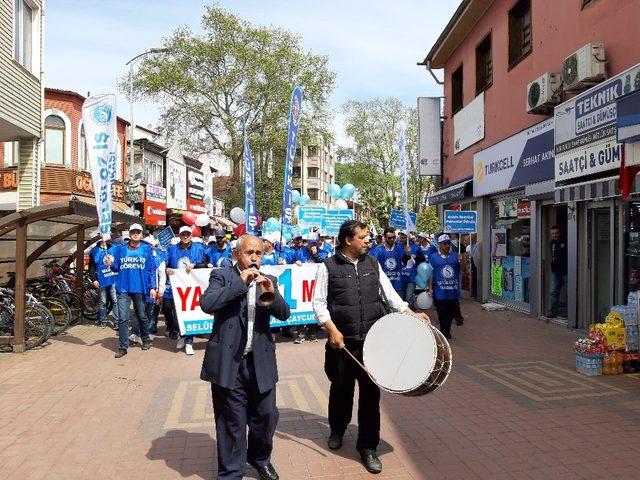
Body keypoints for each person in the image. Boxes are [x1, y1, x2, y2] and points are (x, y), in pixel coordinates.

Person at [312, 220, 430, 475]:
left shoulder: (373, 264)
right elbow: (319, 304)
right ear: (348, 240)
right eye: (364, 237)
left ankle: (367, 447)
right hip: (341, 345)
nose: (368, 240)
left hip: (373, 343)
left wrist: (411, 313)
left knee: (370, 396)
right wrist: (332, 329)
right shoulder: (328, 267)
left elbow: (390, 296)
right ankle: (337, 429)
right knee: (341, 390)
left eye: (368, 237)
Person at [199, 235, 291, 480]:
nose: (254, 257)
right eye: (249, 252)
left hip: (259, 361)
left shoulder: (268, 279)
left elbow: (284, 314)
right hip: (230, 363)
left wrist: (272, 293)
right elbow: (207, 304)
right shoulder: (222, 275)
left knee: (267, 415)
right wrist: (240, 283)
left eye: (259, 253)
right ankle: (231, 471)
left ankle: (260, 458)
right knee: (231, 422)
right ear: (237, 254)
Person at [104, 224, 157, 358]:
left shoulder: (147, 249)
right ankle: (122, 347)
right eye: (133, 231)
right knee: (123, 319)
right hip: (123, 288)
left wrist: (153, 287)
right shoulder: (121, 249)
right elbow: (116, 268)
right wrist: (110, 264)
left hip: (140, 288)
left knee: (142, 315)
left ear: (141, 234)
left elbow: (151, 270)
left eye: (138, 232)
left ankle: (145, 339)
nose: (135, 234)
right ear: (129, 233)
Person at [165, 226, 207, 355]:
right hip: (177, 288)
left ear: (191, 235)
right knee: (178, 315)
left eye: (187, 234)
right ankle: (182, 336)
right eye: (183, 234)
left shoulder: (199, 248)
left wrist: (195, 265)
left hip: (193, 287)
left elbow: (206, 263)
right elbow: (166, 266)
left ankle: (189, 342)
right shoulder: (172, 249)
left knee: (191, 314)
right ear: (179, 235)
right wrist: (168, 270)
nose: (185, 236)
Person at [427, 234, 461, 340]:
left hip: (453, 291)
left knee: (451, 314)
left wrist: (462, 260)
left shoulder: (456, 256)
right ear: (440, 245)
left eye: (448, 243)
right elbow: (430, 273)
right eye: (445, 244)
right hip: (439, 291)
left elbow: (462, 271)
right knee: (442, 313)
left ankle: (446, 331)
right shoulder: (433, 257)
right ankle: (444, 333)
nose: (447, 246)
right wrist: (430, 288)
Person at [370, 228, 411, 299]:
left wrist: (407, 254)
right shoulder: (378, 250)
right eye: (389, 238)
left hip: (398, 284)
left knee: (399, 309)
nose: (392, 239)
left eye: (394, 237)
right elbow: (372, 265)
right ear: (385, 237)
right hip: (384, 285)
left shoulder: (399, 249)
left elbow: (405, 261)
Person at [88, 239, 119, 329]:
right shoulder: (94, 250)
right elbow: (92, 267)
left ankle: (117, 321)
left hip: (113, 278)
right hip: (101, 279)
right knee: (102, 301)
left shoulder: (114, 248)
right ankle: (103, 321)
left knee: (115, 300)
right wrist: (94, 279)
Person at [548, 225, 567, 318]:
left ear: (560, 233)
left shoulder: (565, 241)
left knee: (568, 293)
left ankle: (568, 313)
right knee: (553, 292)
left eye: (556, 233)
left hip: (566, 271)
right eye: (553, 233)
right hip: (555, 272)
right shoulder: (551, 243)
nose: (555, 235)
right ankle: (553, 312)